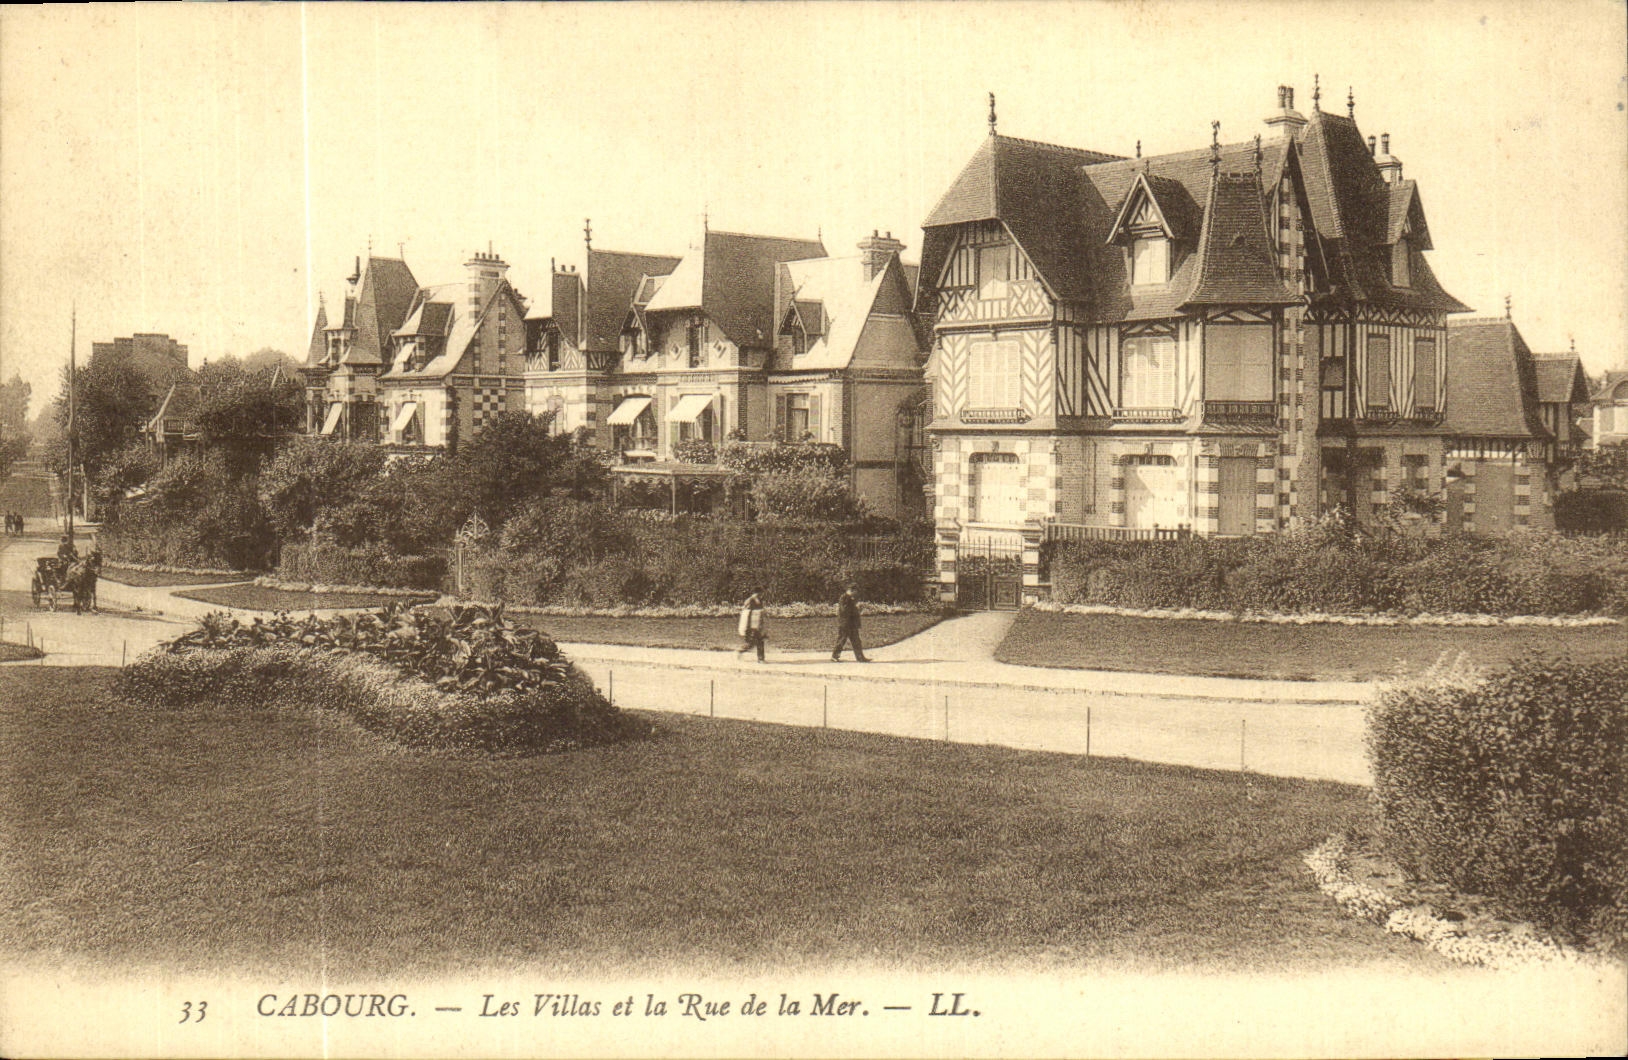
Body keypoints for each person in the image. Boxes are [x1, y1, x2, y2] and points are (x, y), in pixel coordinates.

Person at [832, 586, 869, 662]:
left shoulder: (850, 598)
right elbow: (844, 610)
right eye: (855, 591)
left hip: (851, 624)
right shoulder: (844, 598)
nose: (856, 593)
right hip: (845, 624)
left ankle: (860, 657)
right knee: (842, 640)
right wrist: (855, 610)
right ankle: (834, 656)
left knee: (856, 641)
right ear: (851, 590)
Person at [736, 590, 766, 662]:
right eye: (758, 593)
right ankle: (740, 650)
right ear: (754, 593)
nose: (760, 594)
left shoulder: (759, 600)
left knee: (760, 641)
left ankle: (761, 659)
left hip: (757, 625)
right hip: (750, 626)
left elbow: (760, 614)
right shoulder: (750, 601)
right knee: (751, 643)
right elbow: (746, 614)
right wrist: (745, 627)